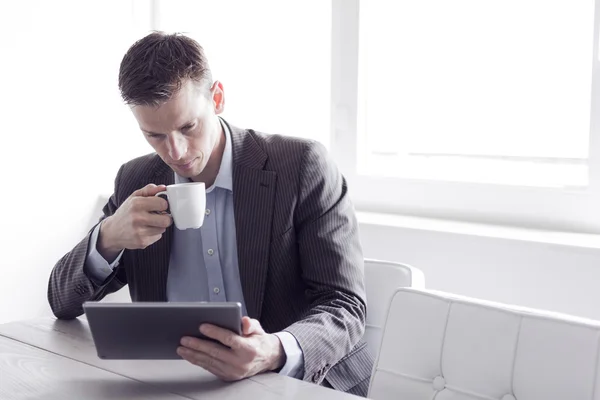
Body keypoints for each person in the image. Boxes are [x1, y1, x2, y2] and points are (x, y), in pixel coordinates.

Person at [47, 32, 371, 396]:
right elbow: (61, 302)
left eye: (188, 126)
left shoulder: (301, 166)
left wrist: (273, 350)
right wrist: (107, 237)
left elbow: (345, 306)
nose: (175, 151)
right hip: (182, 386)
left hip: (297, 385)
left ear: (216, 98)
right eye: (154, 135)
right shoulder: (136, 180)